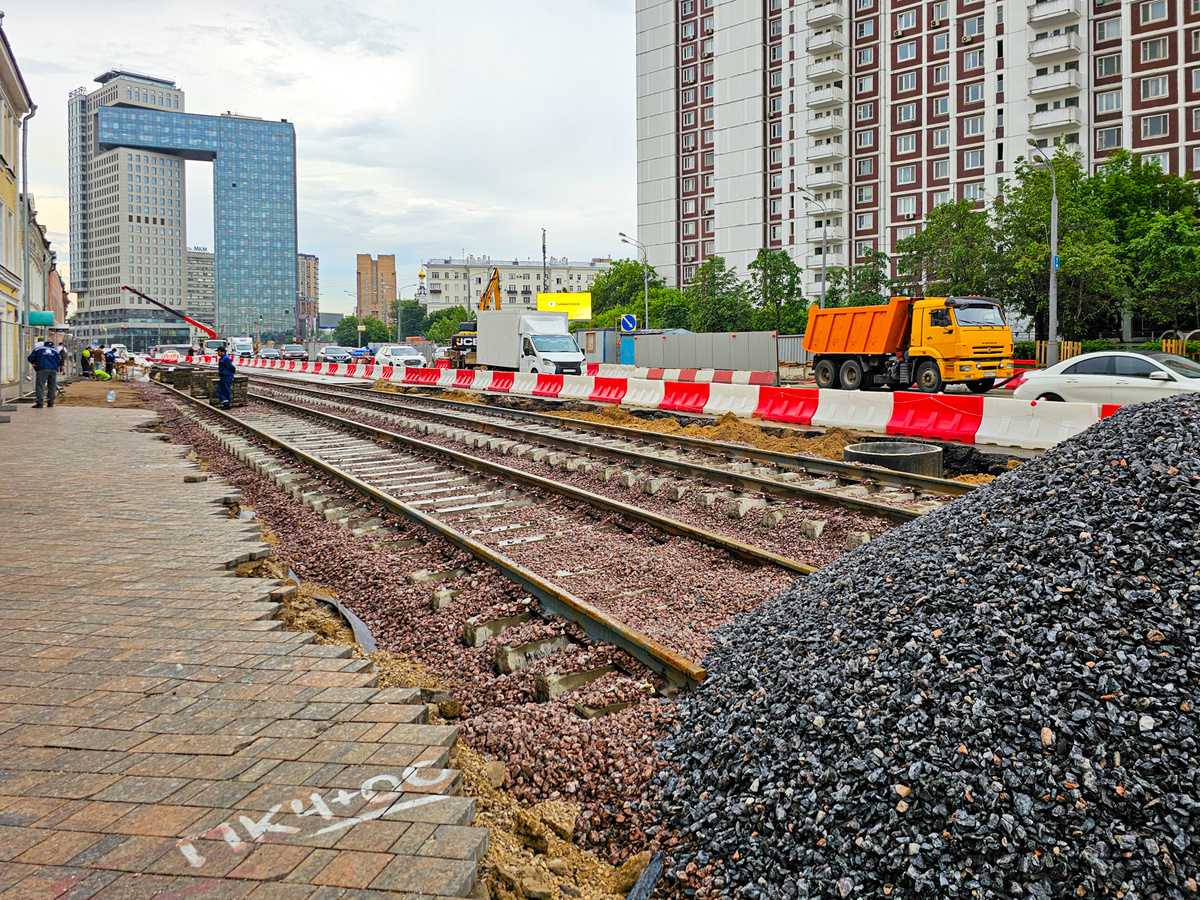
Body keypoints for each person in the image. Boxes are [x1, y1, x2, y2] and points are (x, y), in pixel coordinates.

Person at [27, 341, 60, 408]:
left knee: (40, 385)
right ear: (52, 346)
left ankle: (40, 402)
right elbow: (59, 360)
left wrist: (35, 363)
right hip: (53, 370)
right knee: (52, 386)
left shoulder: (38, 349)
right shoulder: (55, 351)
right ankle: (51, 402)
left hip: (42, 369)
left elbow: (30, 358)